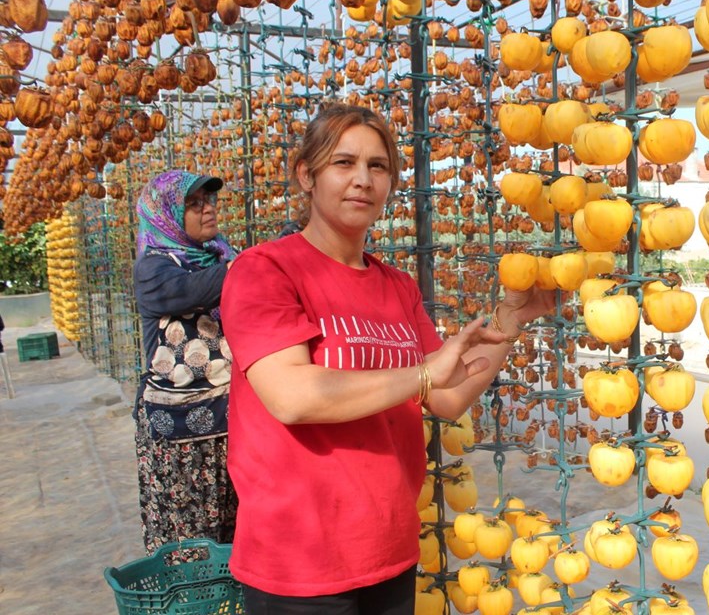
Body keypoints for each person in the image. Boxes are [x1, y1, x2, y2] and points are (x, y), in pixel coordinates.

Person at [221, 103, 553, 614]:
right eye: (343, 163)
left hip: (387, 547)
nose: (362, 180)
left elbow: (444, 396)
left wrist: (510, 322)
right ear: (305, 176)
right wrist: (421, 374)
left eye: (378, 167)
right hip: (300, 564)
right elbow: (291, 397)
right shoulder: (264, 271)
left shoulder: (396, 287)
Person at [132, 170, 238, 553]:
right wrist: (257, 263)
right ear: (167, 215)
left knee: (237, 539)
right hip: (179, 442)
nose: (208, 210)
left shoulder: (223, 255)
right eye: (194, 204)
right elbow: (194, 290)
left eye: (209, 201)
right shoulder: (153, 269)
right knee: (191, 543)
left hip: (232, 427)